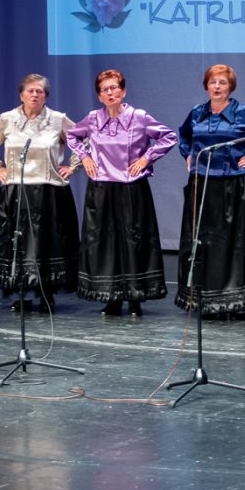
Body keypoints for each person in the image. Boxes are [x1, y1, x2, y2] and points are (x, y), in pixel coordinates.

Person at [67, 70, 176, 316]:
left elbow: (168, 137)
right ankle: (112, 297)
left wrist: (146, 158)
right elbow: (72, 136)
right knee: (106, 243)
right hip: (102, 187)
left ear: (123, 91)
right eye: (105, 89)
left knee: (133, 240)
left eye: (114, 87)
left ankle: (135, 298)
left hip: (131, 187)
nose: (110, 93)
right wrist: (84, 157)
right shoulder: (93, 118)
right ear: (99, 96)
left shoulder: (139, 117)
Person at [176, 64, 245, 320]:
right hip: (202, 183)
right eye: (213, 82)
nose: (217, 87)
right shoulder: (197, 113)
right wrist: (188, 155)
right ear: (206, 86)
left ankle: (236, 302)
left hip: (236, 186)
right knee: (204, 241)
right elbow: (183, 136)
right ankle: (206, 300)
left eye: (223, 82)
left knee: (236, 243)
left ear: (231, 87)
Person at [0, 73, 80, 312]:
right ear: (21, 95)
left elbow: (83, 141)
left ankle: (47, 294)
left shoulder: (57, 119)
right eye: (30, 90)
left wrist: (72, 166)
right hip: (17, 189)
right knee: (19, 243)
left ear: (46, 96)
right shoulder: (8, 119)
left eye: (39, 91)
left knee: (48, 244)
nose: (35, 95)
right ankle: (21, 293)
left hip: (49, 191)